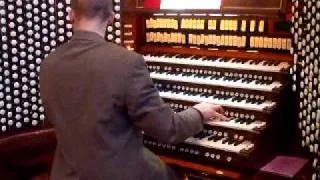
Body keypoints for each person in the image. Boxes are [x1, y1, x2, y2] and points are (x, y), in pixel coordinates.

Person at [39, 0, 228, 179]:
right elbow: (168, 129)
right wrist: (199, 113)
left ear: (70, 15)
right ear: (112, 18)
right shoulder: (127, 62)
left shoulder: (49, 63)